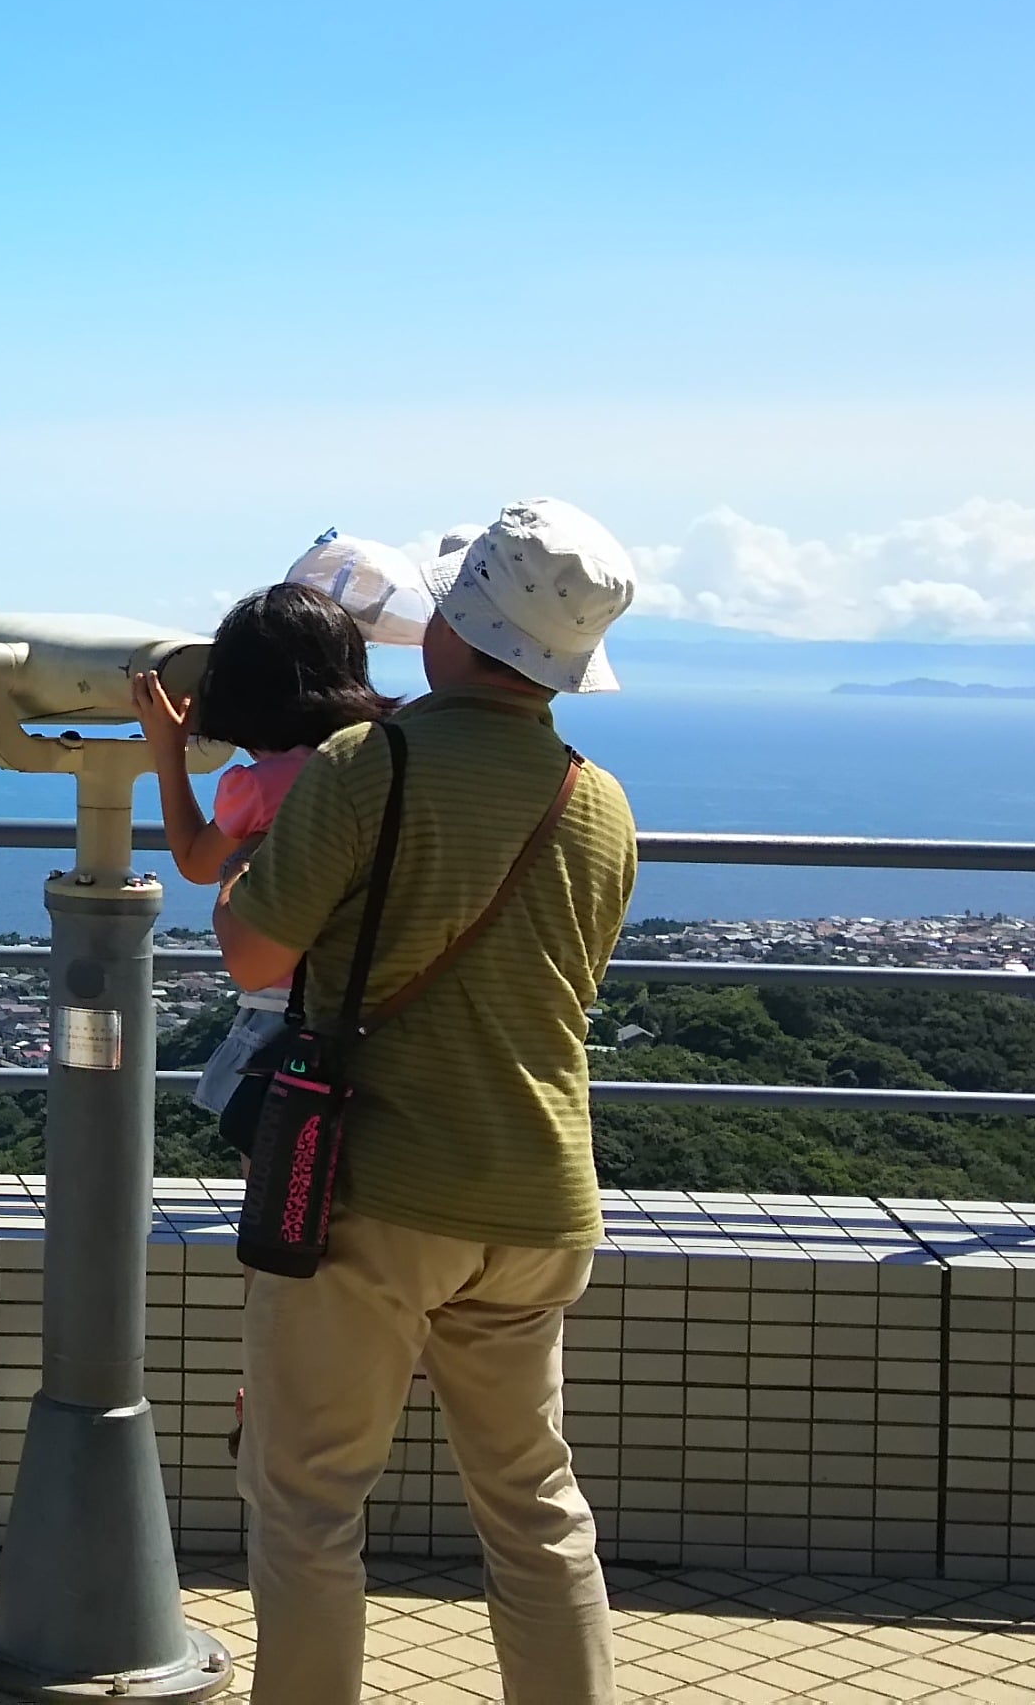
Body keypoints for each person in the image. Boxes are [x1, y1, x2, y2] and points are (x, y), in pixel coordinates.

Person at [210, 498, 644, 1705]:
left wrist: (238, 875)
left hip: (376, 1190)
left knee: (308, 1500)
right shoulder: (597, 798)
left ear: (460, 628)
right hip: (540, 1194)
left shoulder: (369, 764)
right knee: (534, 1503)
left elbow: (252, 955)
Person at [126, 579, 401, 1119]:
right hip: (378, 1000)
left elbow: (196, 861)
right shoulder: (379, 764)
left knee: (275, 1155)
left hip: (285, 1009)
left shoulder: (261, 786)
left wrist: (168, 751)